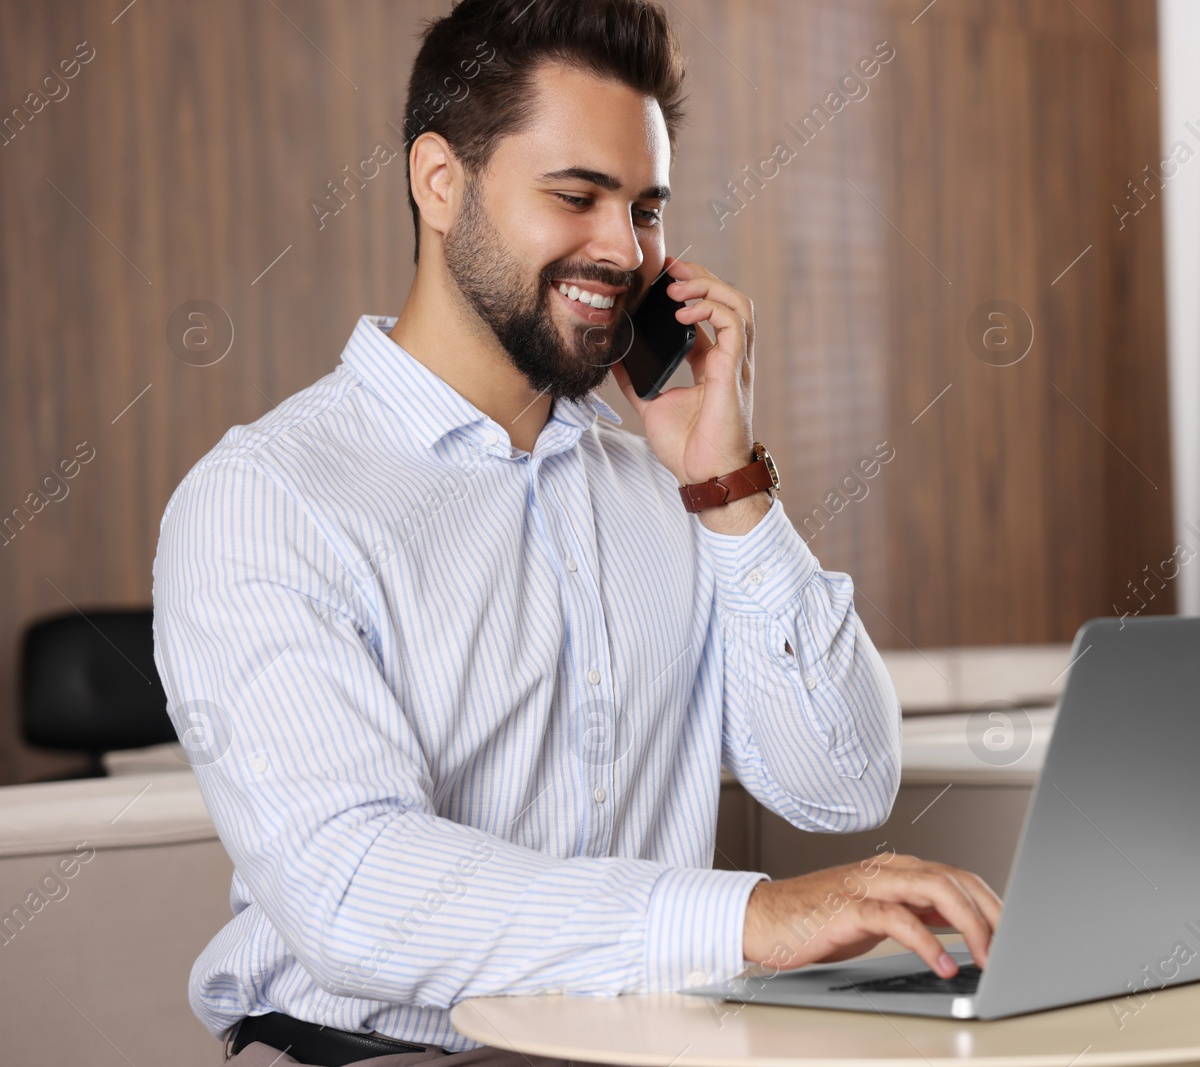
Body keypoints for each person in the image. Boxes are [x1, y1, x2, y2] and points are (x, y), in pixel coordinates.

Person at [152, 1, 1002, 1063]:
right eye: (577, 196)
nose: (626, 249)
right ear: (439, 181)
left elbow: (842, 781)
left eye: (647, 206)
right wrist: (752, 919)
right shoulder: (267, 500)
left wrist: (728, 486)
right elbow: (354, 888)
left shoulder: (664, 486)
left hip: (656, 1046)